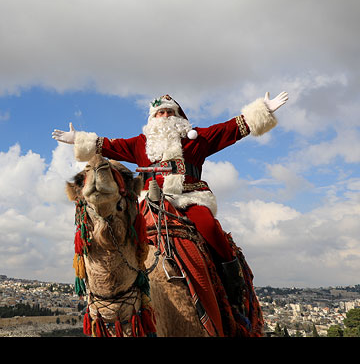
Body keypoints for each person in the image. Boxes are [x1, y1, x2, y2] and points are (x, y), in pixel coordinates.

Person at [52, 91, 288, 313]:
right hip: (150, 202)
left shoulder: (197, 139)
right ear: (152, 119)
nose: (164, 117)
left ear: (178, 116)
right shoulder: (139, 144)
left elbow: (228, 129)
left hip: (189, 197)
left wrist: (262, 110)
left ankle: (234, 286)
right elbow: (109, 145)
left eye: (169, 112)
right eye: (159, 113)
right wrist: (78, 140)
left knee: (209, 228)